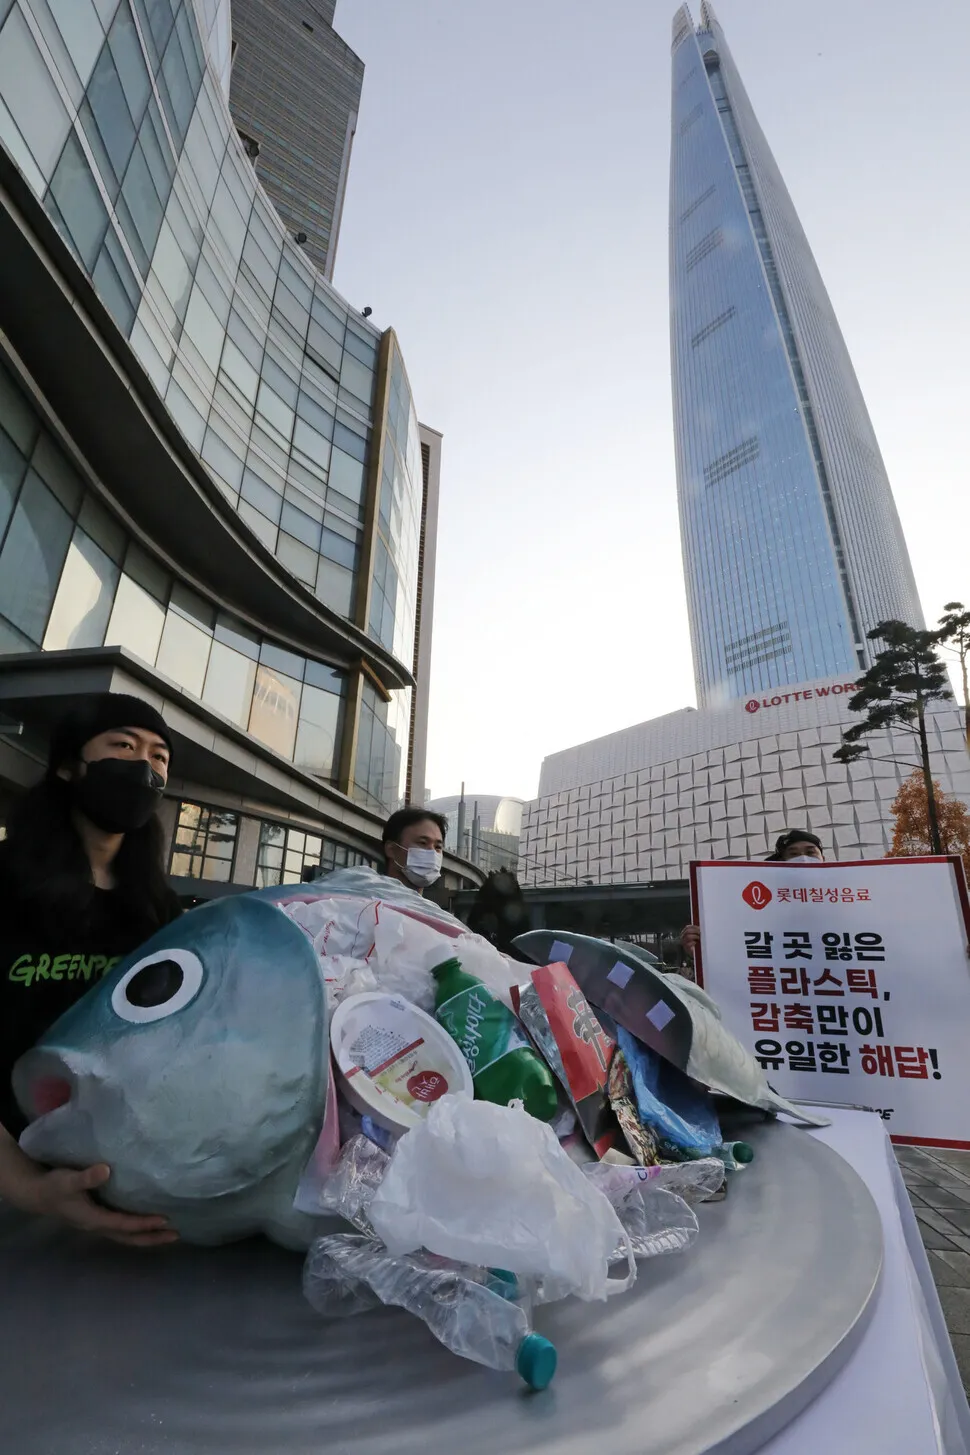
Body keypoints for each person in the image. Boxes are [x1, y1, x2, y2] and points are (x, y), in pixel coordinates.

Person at [0, 694, 183, 1246]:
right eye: (124, 746)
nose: (144, 768)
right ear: (68, 765)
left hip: (114, 1185)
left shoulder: (160, 911)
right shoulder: (3, 883)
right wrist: (28, 1187)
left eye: (159, 757)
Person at [681, 828, 826, 957]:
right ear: (781, 864)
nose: (803, 859)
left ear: (823, 859)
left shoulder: (847, 899)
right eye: (793, 854)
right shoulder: (758, 910)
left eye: (810, 852)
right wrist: (702, 954)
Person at [381, 806, 448, 895]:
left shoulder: (428, 909)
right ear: (391, 849)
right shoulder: (365, 903)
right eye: (423, 843)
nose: (432, 852)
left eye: (438, 847)